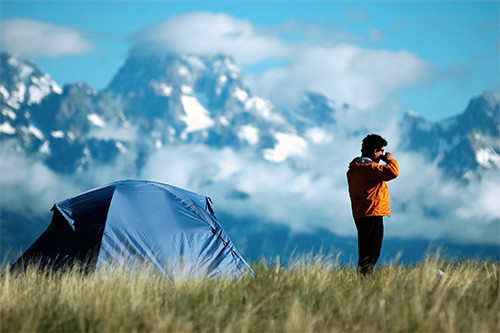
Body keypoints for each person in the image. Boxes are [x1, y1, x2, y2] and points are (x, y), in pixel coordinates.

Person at [346, 134, 399, 275]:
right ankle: (365, 282)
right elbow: (393, 172)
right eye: (381, 150)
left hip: (360, 214)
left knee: (364, 252)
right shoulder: (368, 168)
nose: (382, 153)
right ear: (375, 151)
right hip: (373, 213)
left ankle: (362, 281)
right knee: (372, 253)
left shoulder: (354, 169)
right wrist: (389, 159)